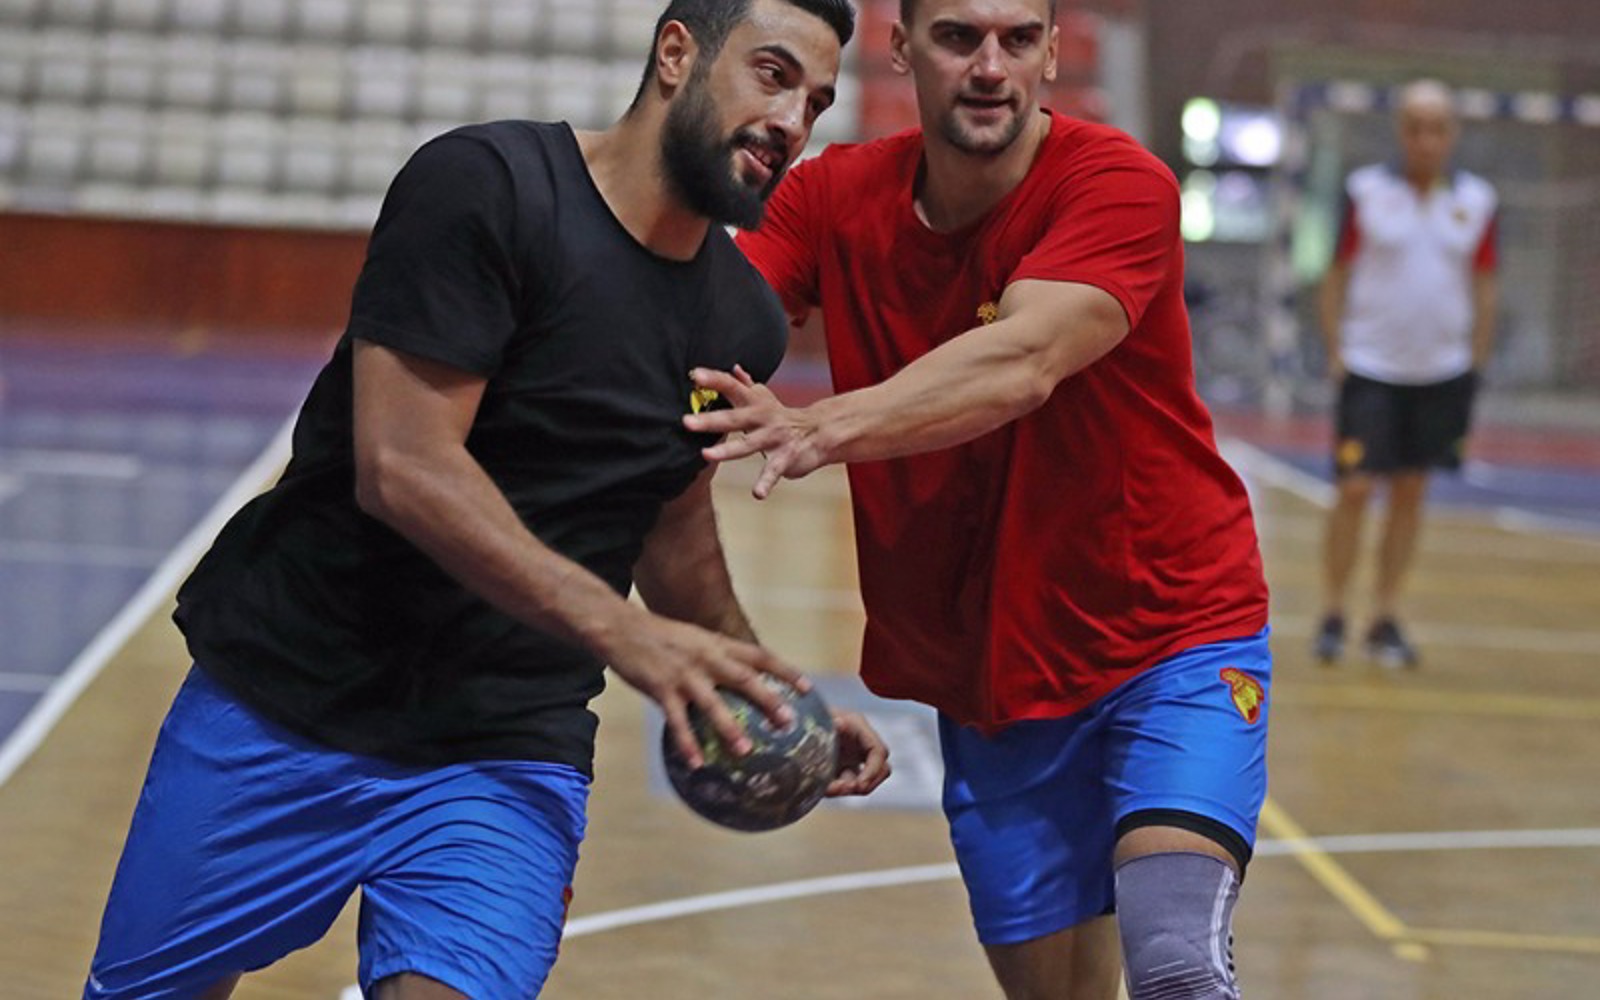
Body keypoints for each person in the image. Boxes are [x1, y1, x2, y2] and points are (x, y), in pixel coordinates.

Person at [82, 2, 890, 998]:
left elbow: (673, 524)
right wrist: (622, 633)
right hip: (287, 701)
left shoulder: (740, 319)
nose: (792, 122)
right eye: (772, 75)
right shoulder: (486, 188)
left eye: (816, 103)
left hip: (503, 748)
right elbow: (403, 465)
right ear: (677, 52)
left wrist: (771, 693)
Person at [684, 0, 1271, 997]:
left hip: (1168, 633)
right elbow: (697, 334)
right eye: (959, 38)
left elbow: (1025, 358)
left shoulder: (1115, 183)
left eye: (1019, 39)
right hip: (989, 676)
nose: (991, 66)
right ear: (902, 49)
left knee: (1175, 965)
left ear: (1052, 53)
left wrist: (819, 427)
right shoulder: (830, 200)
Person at [1314, 78, 1499, 669]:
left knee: (1411, 493)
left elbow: (1485, 283)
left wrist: (1475, 358)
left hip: (1441, 372)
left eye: (1437, 128)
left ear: (1452, 134)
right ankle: (1333, 611)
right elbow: (1335, 273)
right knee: (1354, 488)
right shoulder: (1366, 192)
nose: (1426, 140)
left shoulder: (1478, 201)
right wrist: (1336, 350)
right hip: (1370, 367)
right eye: (1416, 128)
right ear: (1401, 131)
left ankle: (1385, 616)